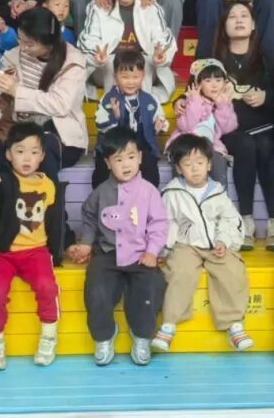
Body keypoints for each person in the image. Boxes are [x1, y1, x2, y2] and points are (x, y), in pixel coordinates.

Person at [66, 127, 168, 367]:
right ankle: (103, 336)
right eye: (118, 159)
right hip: (108, 253)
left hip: (141, 254)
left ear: (140, 157)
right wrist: (86, 244)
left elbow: (159, 224)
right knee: (96, 289)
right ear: (108, 163)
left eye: (131, 157)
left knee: (150, 288)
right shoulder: (101, 192)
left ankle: (142, 335)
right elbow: (89, 217)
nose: (126, 164)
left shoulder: (149, 191)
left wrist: (152, 251)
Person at [0, 122, 63, 370]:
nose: (27, 158)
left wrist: (58, 253)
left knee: (47, 286)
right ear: (9, 155)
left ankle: (49, 336)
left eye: (34, 152)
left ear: (42, 156)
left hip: (36, 251)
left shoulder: (48, 185)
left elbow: (54, 221)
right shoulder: (4, 180)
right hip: (5, 253)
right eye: (20, 151)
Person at [152, 134, 253, 353]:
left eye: (199, 162)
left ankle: (234, 324)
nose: (194, 168)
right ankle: (168, 325)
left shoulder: (217, 191)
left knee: (232, 270)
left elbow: (229, 219)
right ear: (178, 169)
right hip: (185, 244)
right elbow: (166, 222)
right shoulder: (172, 193)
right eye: (187, 164)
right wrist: (164, 249)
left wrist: (223, 240)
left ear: (209, 165)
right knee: (180, 271)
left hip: (216, 245)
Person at [208, 0, 274, 250]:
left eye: (244, 16)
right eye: (232, 16)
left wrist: (265, 97)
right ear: (223, 26)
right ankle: (246, 219)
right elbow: (195, 93)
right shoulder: (214, 61)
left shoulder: (268, 58)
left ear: (253, 25)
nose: (238, 20)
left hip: (265, 127)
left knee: (267, 146)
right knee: (247, 145)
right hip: (230, 130)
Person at [0, 7, 89, 173]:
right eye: (20, 39)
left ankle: (47, 190)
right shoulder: (14, 55)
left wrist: (16, 91)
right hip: (20, 128)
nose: (22, 47)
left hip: (61, 136)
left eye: (29, 44)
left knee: (39, 147)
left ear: (49, 44)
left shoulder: (73, 62)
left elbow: (60, 105)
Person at [78, 0, 176, 103]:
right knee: (112, 63)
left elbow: (162, 39)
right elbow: (88, 40)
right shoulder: (98, 7)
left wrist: (161, 55)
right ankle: (111, 108)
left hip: (140, 69)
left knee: (142, 62)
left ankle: (144, 109)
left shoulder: (150, 6)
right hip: (106, 68)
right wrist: (96, 55)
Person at [93, 47, 166, 188]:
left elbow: (160, 118)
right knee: (102, 171)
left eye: (135, 77)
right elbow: (99, 124)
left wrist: (159, 125)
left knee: (149, 166)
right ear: (115, 77)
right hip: (113, 146)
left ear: (143, 76)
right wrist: (115, 117)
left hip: (140, 147)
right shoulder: (108, 99)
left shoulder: (150, 100)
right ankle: (103, 199)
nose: (131, 82)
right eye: (125, 77)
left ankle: (149, 196)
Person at [165, 59, 235, 186]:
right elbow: (187, 126)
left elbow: (227, 128)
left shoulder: (223, 102)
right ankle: (179, 194)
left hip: (210, 146)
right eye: (208, 80)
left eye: (218, 80)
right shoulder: (188, 100)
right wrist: (195, 102)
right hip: (186, 144)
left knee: (218, 163)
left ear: (225, 83)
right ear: (198, 83)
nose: (214, 85)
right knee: (183, 162)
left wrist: (222, 106)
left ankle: (219, 195)